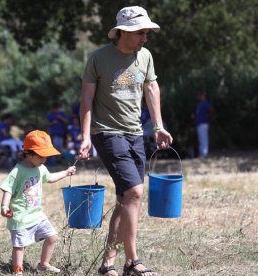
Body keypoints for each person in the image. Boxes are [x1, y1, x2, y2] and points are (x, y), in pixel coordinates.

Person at [78, 6, 173, 276]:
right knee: (134, 192)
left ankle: (108, 263)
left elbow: (151, 88)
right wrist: (85, 136)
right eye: (141, 32)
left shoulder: (145, 56)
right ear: (125, 31)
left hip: (135, 133)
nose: (146, 37)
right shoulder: (98, 58)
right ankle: (132, 262)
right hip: (106, 132)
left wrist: (158, 126)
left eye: (146, 32)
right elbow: (86, 99)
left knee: (125, 197)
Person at [0, 130, 77, 276]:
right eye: (41, 156)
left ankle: (43, 264)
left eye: (46, 156)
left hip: (37, 214)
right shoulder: (18, 170)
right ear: (28, 154)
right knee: (19, 246)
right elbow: (7, 189)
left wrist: (66, 172)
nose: (44, 159)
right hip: (20, 215)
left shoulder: (41, 168)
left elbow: (50, 178)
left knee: (52, 237)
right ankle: (17, 271)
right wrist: (4, 206)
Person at [194, 91, 212, 158]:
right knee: (201, 139)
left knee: (204, 139)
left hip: (203, 124)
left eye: (199, 95)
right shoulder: (200, 104)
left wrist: (208, 116)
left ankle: (204, 154)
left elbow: (211, 109)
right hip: (199, 124)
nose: (198, 97)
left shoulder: (205, 103)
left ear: (202, 96)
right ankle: (202, 154)